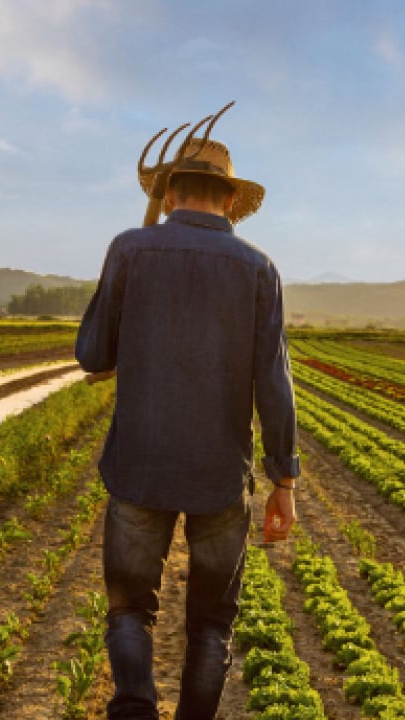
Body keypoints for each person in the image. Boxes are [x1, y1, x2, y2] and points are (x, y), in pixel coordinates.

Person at [76, 110, 299, 720]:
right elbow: (274, 382)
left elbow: (92, 353)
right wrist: (285, 479)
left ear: (169, 192)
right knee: (211, 626)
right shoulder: (259, 269)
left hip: (138, 467)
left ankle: (134, 709)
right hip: (220, 478)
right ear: (230, 199)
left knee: (129, 611)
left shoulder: (128, 248)